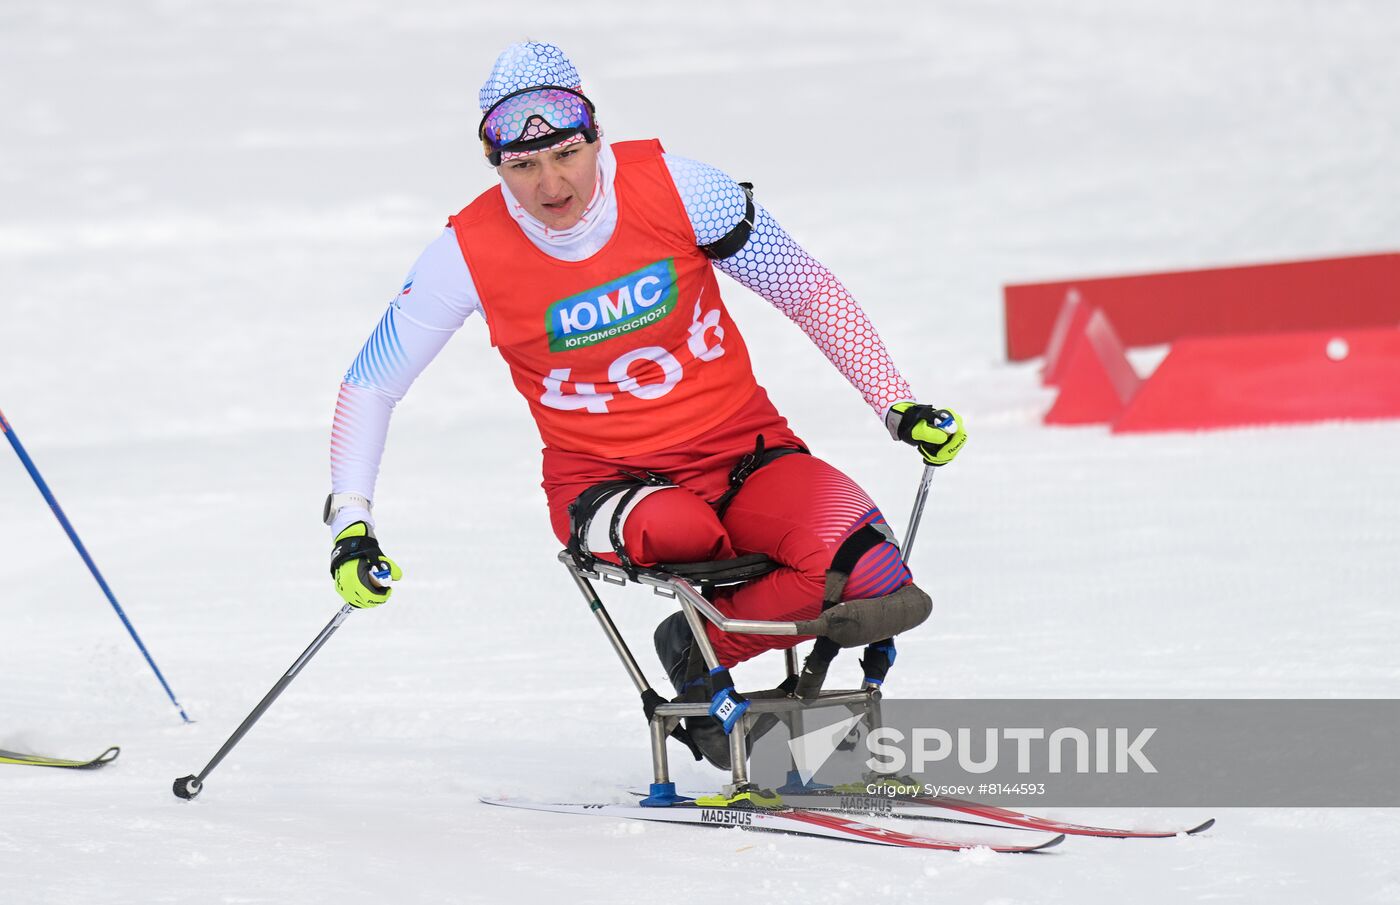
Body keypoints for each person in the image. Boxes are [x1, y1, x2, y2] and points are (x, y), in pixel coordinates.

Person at [323, 41, 966, 778]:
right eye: (521, 167)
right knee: (684, 529)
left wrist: (897, 403)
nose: (549, 183)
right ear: (496, 165)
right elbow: (371, 382)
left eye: (565, 153)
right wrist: (351, 522)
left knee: (877, 572)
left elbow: (806, 287)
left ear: (595, 137)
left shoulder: (683, 188)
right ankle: (715, 679)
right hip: (607, 483)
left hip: (745, 453)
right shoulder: (465, 251)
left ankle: (702, 650)